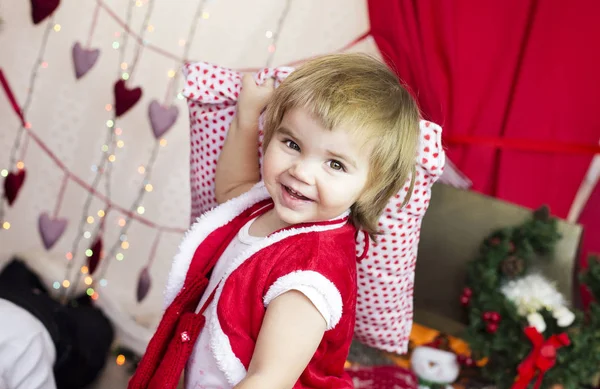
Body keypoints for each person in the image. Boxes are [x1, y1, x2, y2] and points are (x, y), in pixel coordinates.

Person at [128, 53, 420, 389]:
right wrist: (248, 117)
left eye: (335, 164)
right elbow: (232, 190)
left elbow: (269, 380)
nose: (301, 171)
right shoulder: (268, 206)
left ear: (371, 185)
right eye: (292, 143)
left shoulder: (310, 278)